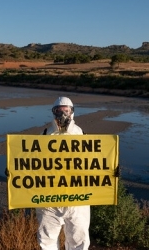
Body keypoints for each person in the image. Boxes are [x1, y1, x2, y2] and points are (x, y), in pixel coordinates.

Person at [36, 96, 90, 250]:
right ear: (53, 113)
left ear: (72, 112)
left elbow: (93, 162)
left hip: (77, 199)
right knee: (46, 241)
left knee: (79, 241)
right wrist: (15, 171)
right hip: (49, 199)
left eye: (66, 111)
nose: (62, 115)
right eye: (58, 111)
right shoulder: (45, 134)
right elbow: (32, 161)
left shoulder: (82, 134)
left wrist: (110, 172)